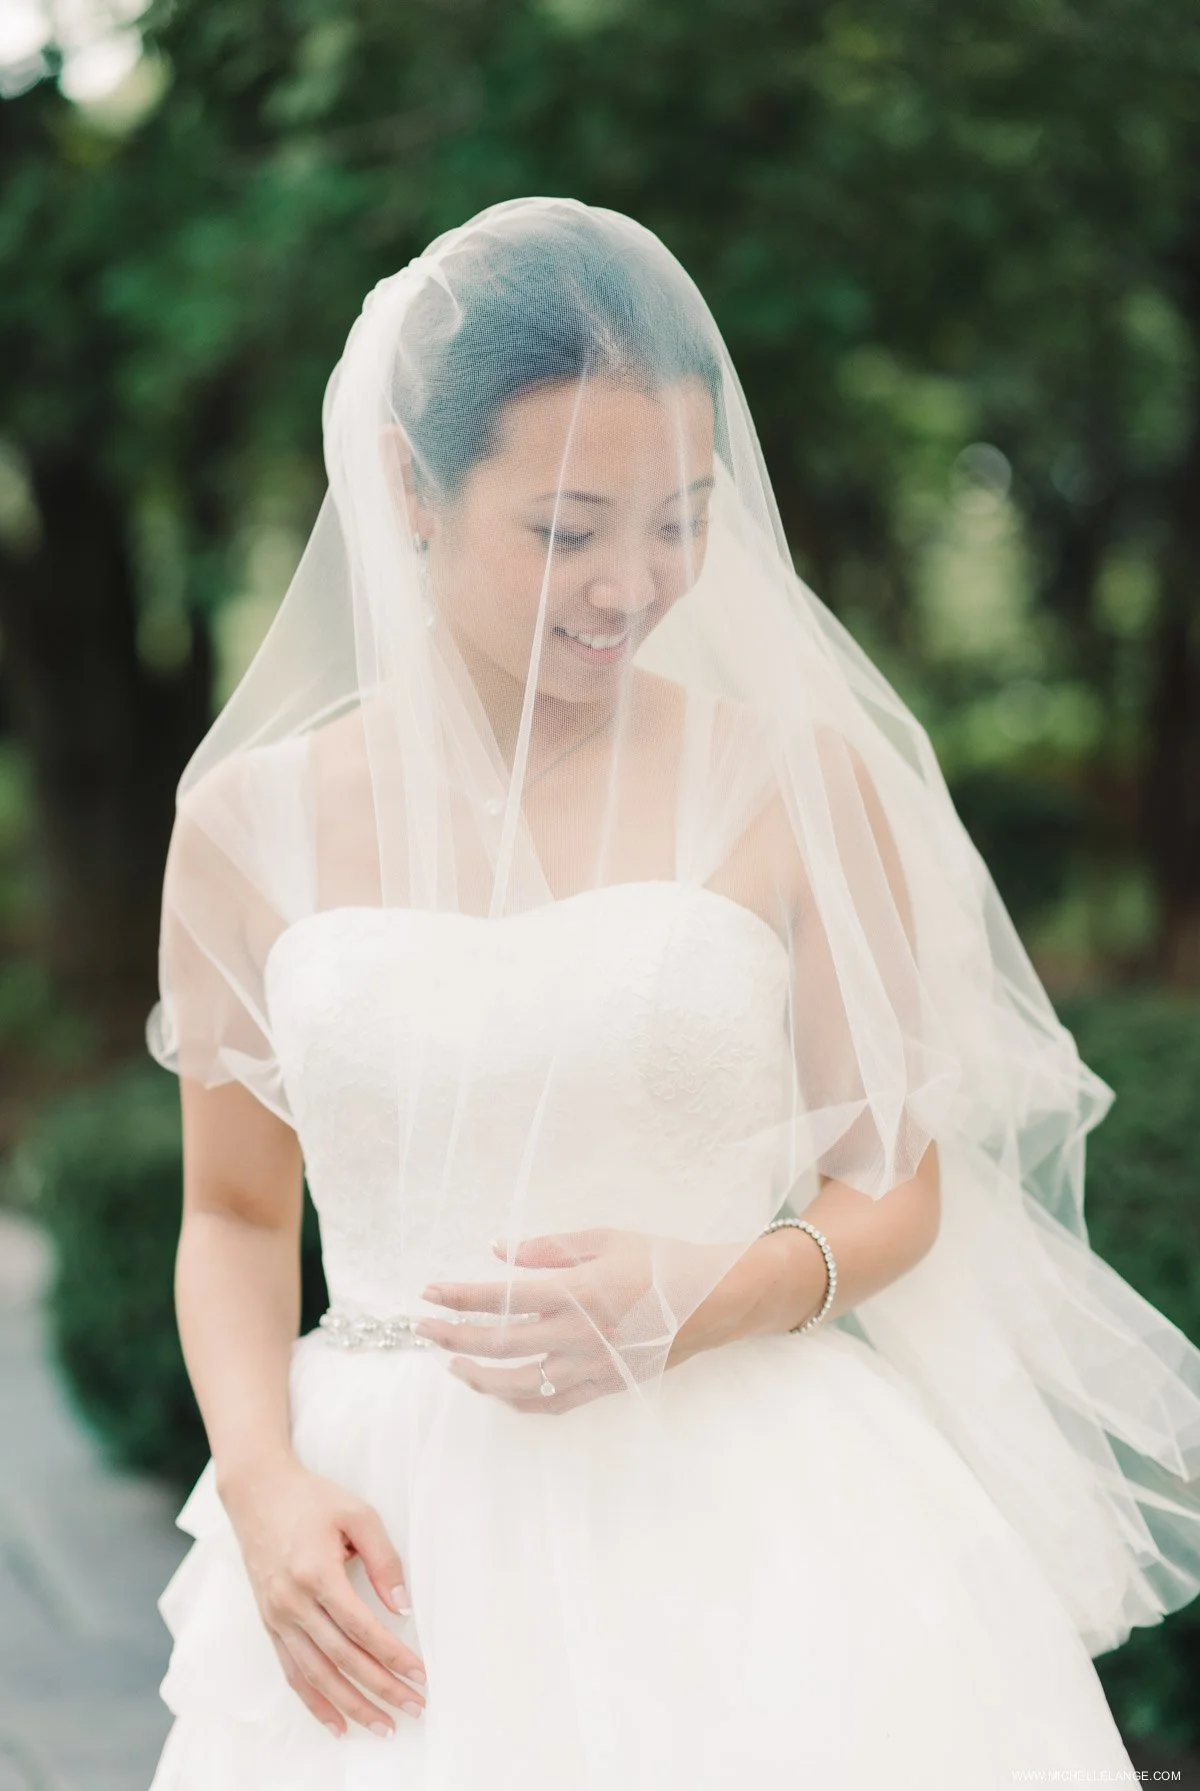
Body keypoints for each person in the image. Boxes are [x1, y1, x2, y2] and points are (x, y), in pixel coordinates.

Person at [143, 196, 1200, 1790]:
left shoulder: (797, 782)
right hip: (390, 1540)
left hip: (761, 1509)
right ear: (410, 494)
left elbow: (896, 1183)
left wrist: (711, 1290)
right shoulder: (246, 830)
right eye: (567, 528)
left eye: (682, 515)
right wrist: (264, 1480)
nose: (634, 583)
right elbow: (231, 1213)